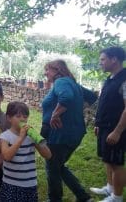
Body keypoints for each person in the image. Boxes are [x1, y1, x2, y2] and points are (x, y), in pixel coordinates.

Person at [42, 59, 97, 202]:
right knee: (58, 166)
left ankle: (54, 199)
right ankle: (83, 197)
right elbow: (92, 96)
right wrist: (74, 111)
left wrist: (56, 114)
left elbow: (66, 97)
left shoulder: (61, 82)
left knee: (52, 166)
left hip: (60, 135)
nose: (45, 73)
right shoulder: (71, 83)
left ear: (57, 70)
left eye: (47, 69)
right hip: (74, 133)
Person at [90, 47, 126, 202]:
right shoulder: (110, 79)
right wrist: (99, 123)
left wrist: (118, 131)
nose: (101, 63)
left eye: (103, 59)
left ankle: (117, 197)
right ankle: (110, 188)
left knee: (116, 163)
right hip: (105, 126)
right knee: (107, 159)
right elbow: (105, 103)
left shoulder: (124, 79)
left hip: (116, 128)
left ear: (114, 59)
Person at [0, 101, 52, 201]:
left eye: (25, 116)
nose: (23, 119)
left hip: (29, 184)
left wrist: (37, 139)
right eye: (18, 116)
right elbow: (7, 156)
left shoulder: (30, 136)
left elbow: (48, 155)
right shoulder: (5, 136)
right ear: (9, 118)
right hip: (11, 184)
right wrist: (21, 138)